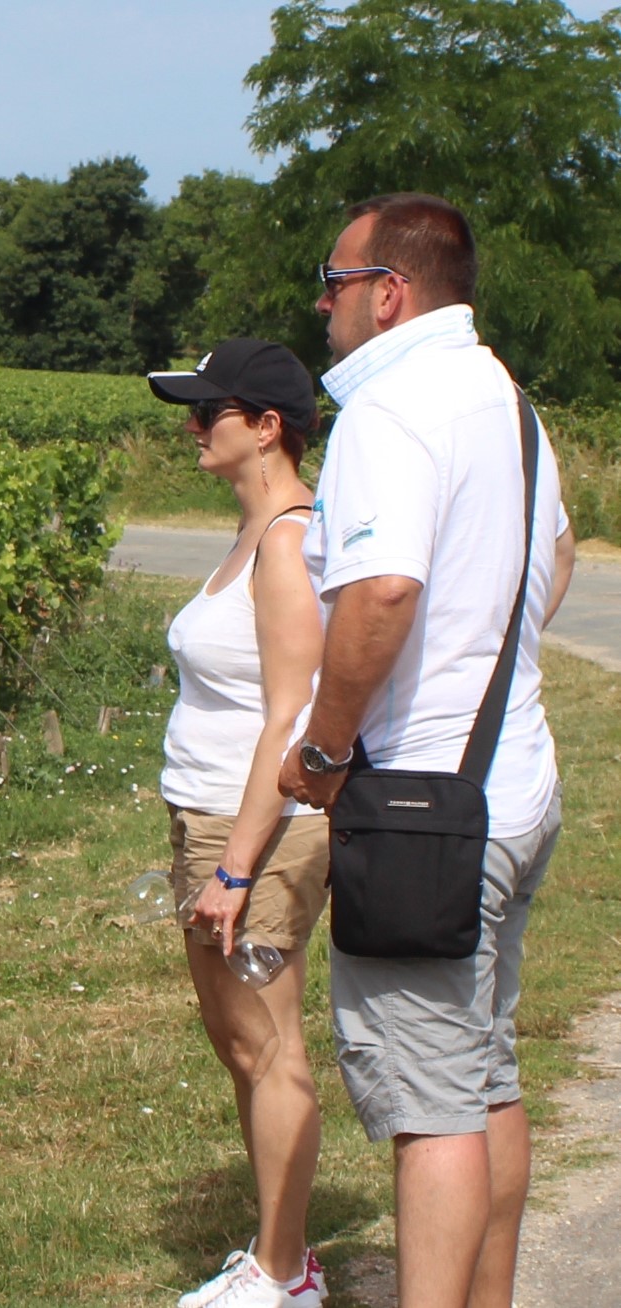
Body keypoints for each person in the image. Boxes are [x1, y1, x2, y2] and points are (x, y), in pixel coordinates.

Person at [279, 194, 574, 1308]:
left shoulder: (393, 409)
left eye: (335, 278)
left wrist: (326, 745)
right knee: (486, 1075)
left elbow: (383, 591)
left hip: (422, 806)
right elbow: (557, 559)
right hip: (514, 782)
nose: (324, 300)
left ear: (388, 292)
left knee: (431, 1107)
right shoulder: (508, 403)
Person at [146, 340, 332, 1308]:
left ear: (265, 426)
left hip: (256, 831)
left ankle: (284, 1270)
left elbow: (292, 719)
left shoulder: (290, 539)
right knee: (237, 1044)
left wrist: (236, 869)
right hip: (208, 818)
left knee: (270, 1044)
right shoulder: (248, 532)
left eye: (206, 409)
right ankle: (273, 1247)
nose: (191, 426)